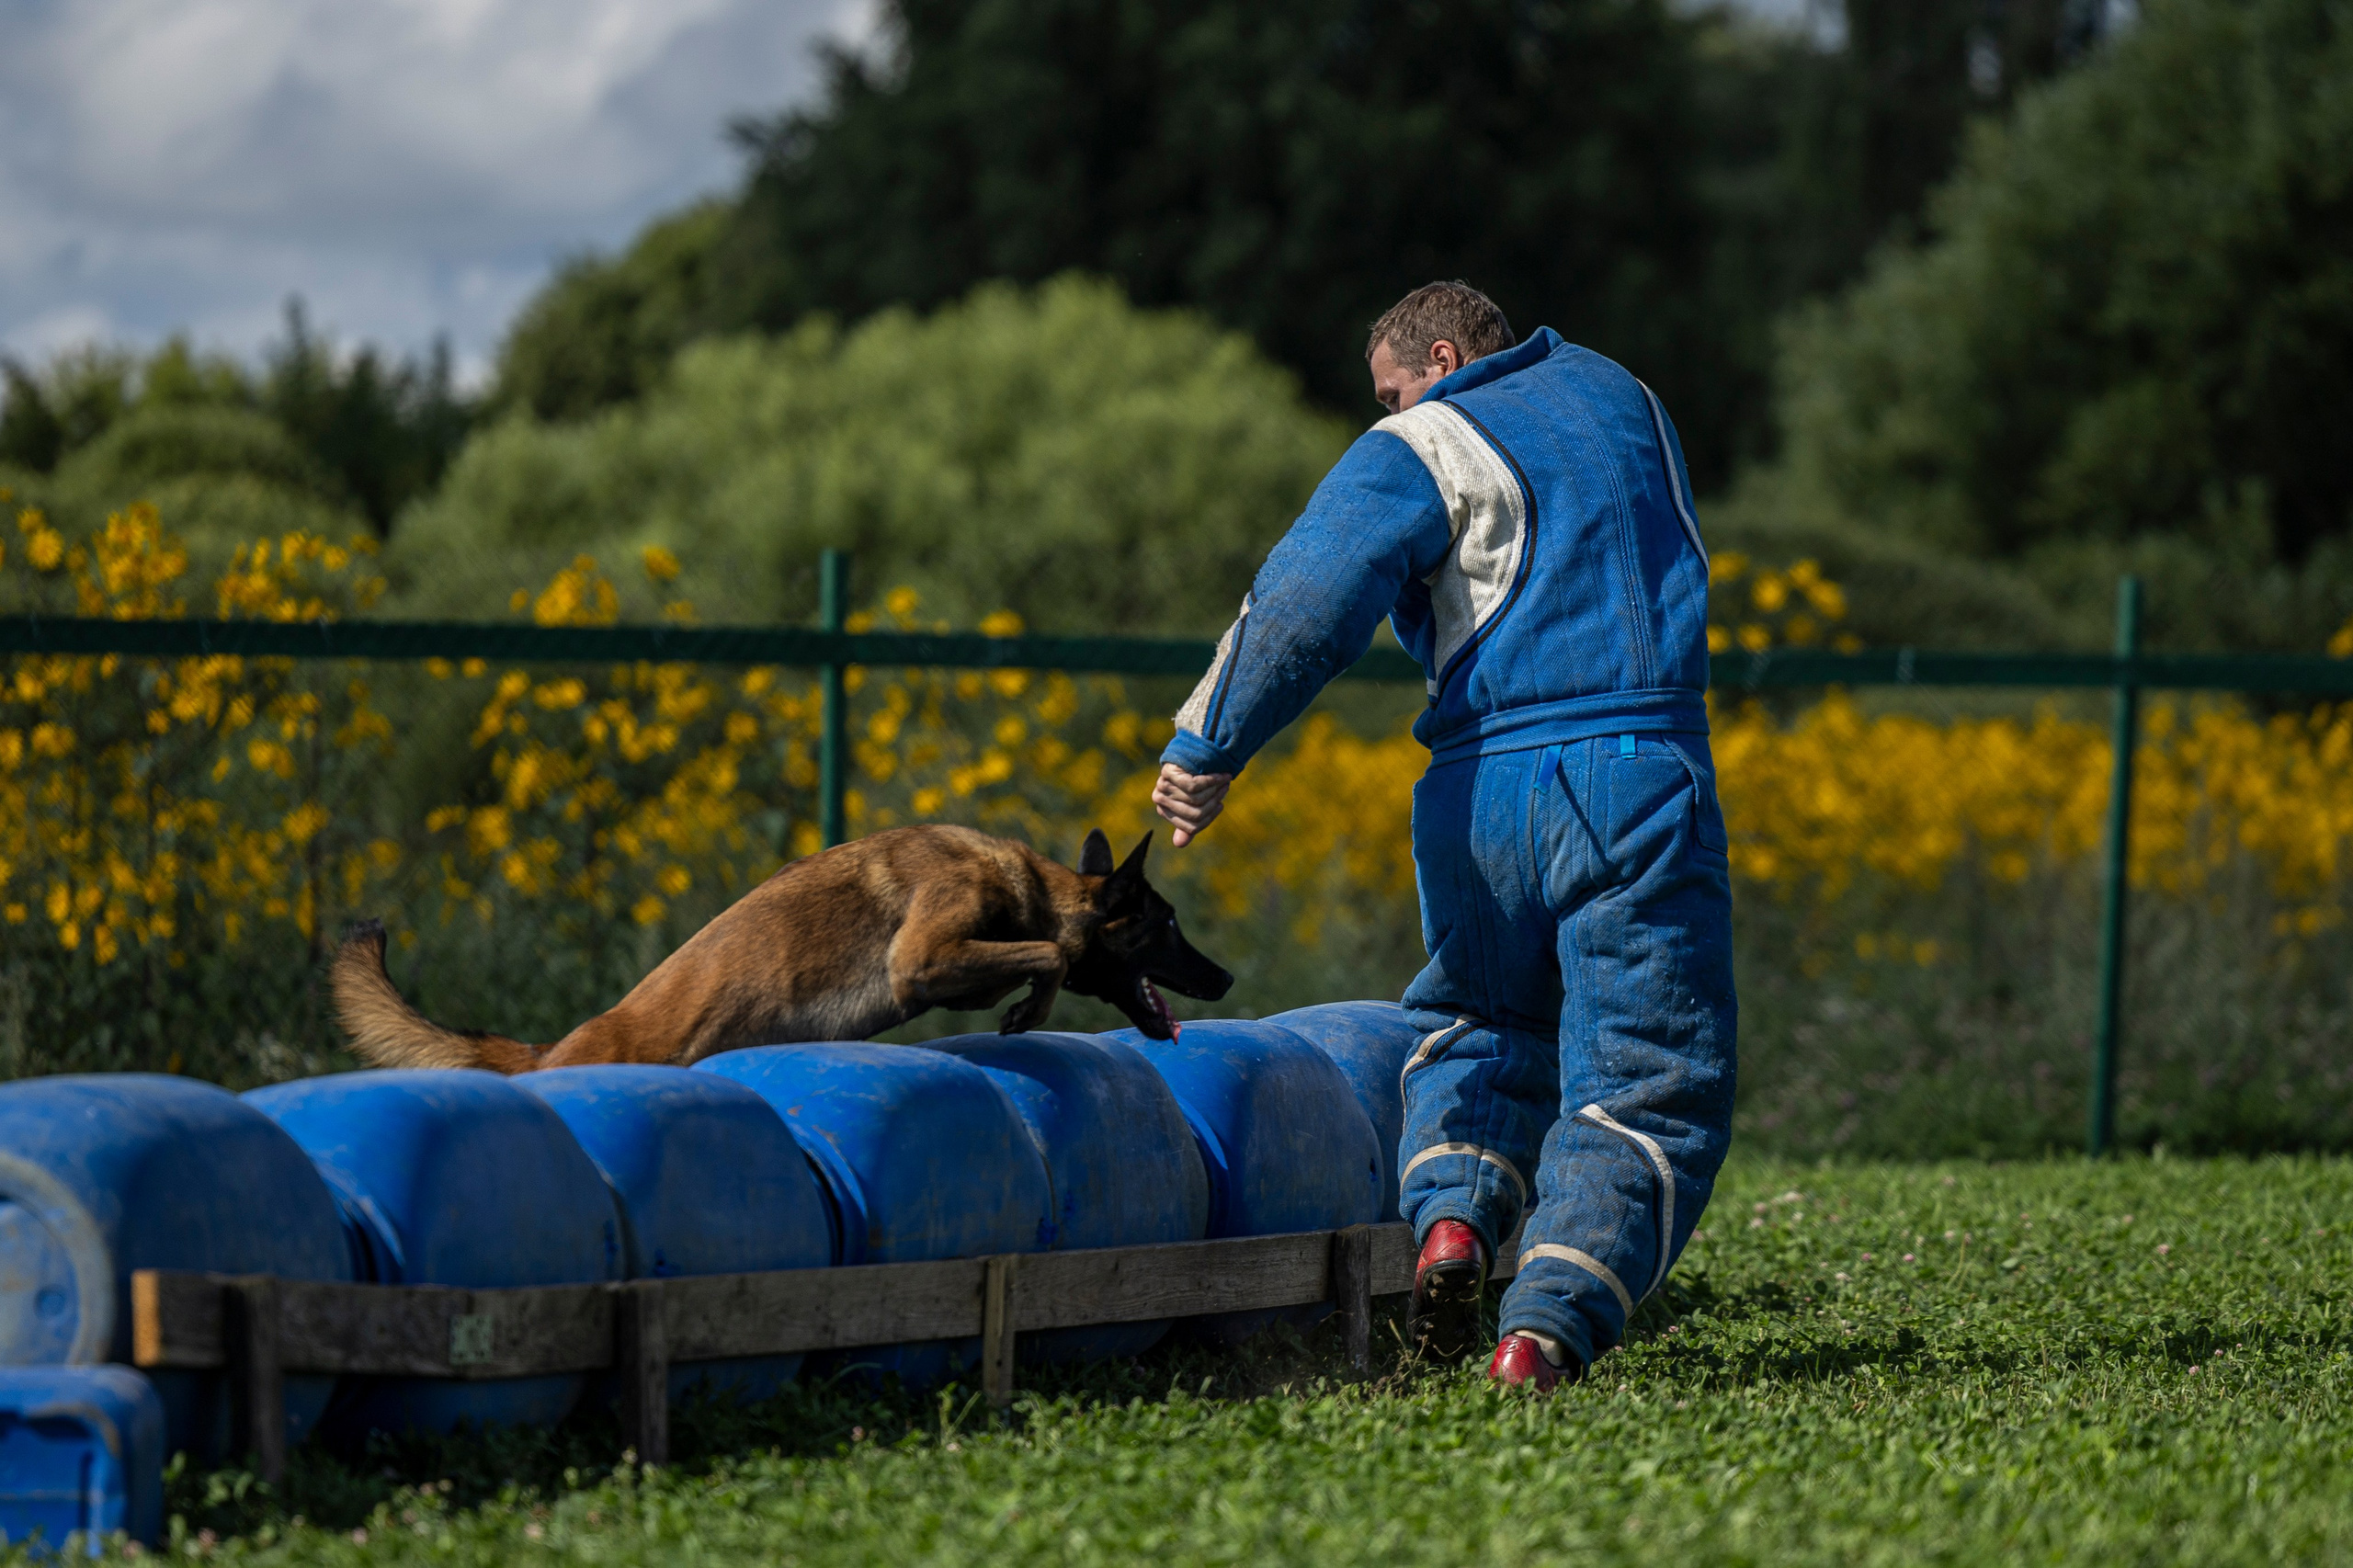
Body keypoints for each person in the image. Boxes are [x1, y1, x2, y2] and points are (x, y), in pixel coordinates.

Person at [1152, 281, 1735, 1390]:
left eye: (1387, 388)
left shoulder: (1422, 437)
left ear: (1440, 353)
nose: (1381, 410)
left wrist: (1206, 741)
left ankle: (1455, 1223)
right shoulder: (1630, 397)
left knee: (1478, 1020)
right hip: (1638, 772)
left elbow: (1306, 591)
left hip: (1479, 792)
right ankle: (1542, 1331)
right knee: (1646, 1072)